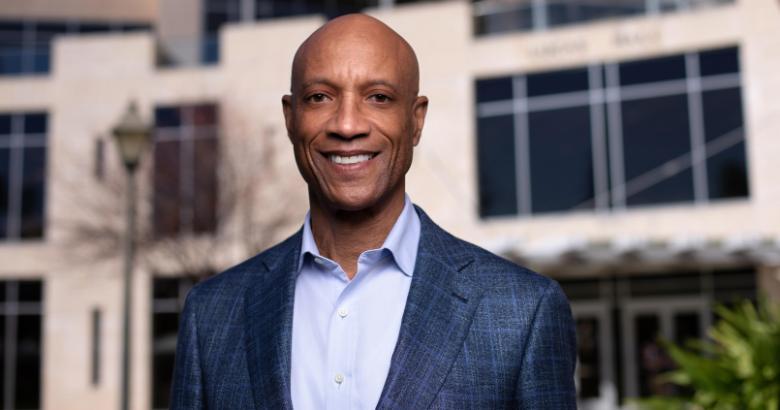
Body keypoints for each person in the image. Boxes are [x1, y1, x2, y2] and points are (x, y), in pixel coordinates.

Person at [170, 13, 576, 410]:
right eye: (320, 97)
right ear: (291, 119)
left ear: (415, 121)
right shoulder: (212, 315)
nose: (347, 125)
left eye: (378, 97)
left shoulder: (522, 312)